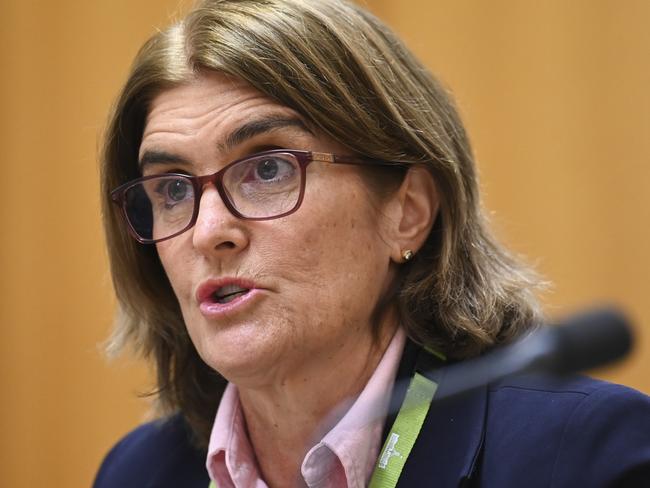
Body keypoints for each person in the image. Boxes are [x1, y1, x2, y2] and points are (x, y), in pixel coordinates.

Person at [93, 0, 650, 486]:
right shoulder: (139, 474)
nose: (209, 232)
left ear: (407, 212)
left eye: (266, 170)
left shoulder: (586, 458)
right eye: (171, 188)